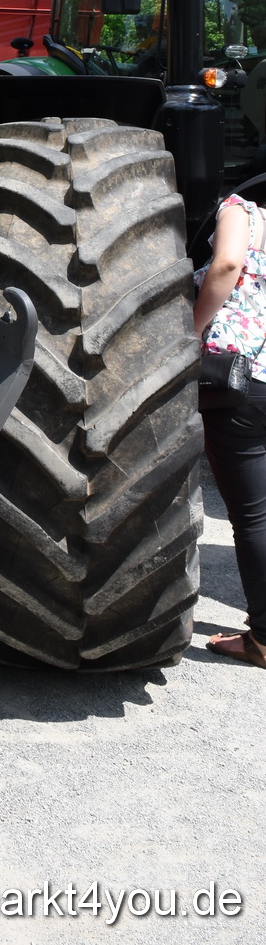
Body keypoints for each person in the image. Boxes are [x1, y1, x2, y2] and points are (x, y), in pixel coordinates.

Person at [194, 192, 266, 666]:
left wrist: (190, 332)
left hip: (240, 380)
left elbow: (226, 266)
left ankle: (263, 639)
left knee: (254, 517)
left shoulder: (242, 210)